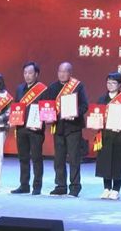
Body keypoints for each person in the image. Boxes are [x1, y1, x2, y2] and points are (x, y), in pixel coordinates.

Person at [47, 62, 88, 197]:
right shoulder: (52, 87)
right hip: (58, 127)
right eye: (60, 71)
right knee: (59, 159)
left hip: (73, 127)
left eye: (65, 72)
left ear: (70, 73)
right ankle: (61, 186)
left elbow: (84, 105)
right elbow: (47, 106)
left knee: (74, 158)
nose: (62, 74)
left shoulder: (78, 86)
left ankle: (75, 186)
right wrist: (47, 116)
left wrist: (75, 113)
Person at [11, 62, 50, 195]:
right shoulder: (19, 88)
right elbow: (17, 107)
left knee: (36, 158)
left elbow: (46, 110)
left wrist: (41, 122)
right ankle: (24, 185)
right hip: (21, 128)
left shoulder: (43, 89)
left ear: (36, 74)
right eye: (25, 73)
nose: (27, 75)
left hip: (36, 130)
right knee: (23, 158)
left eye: (30, 73)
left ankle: (37, 186)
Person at [95, 72, 121, 200]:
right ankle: (106, 188)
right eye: (108, 82)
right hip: (104, 136)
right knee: (104, 161)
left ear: (119, 85)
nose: (110, 85)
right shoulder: (102, 99)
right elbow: (95, 115)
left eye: (113, 83)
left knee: (117, 162)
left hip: (118, 136)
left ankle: (116, 189)